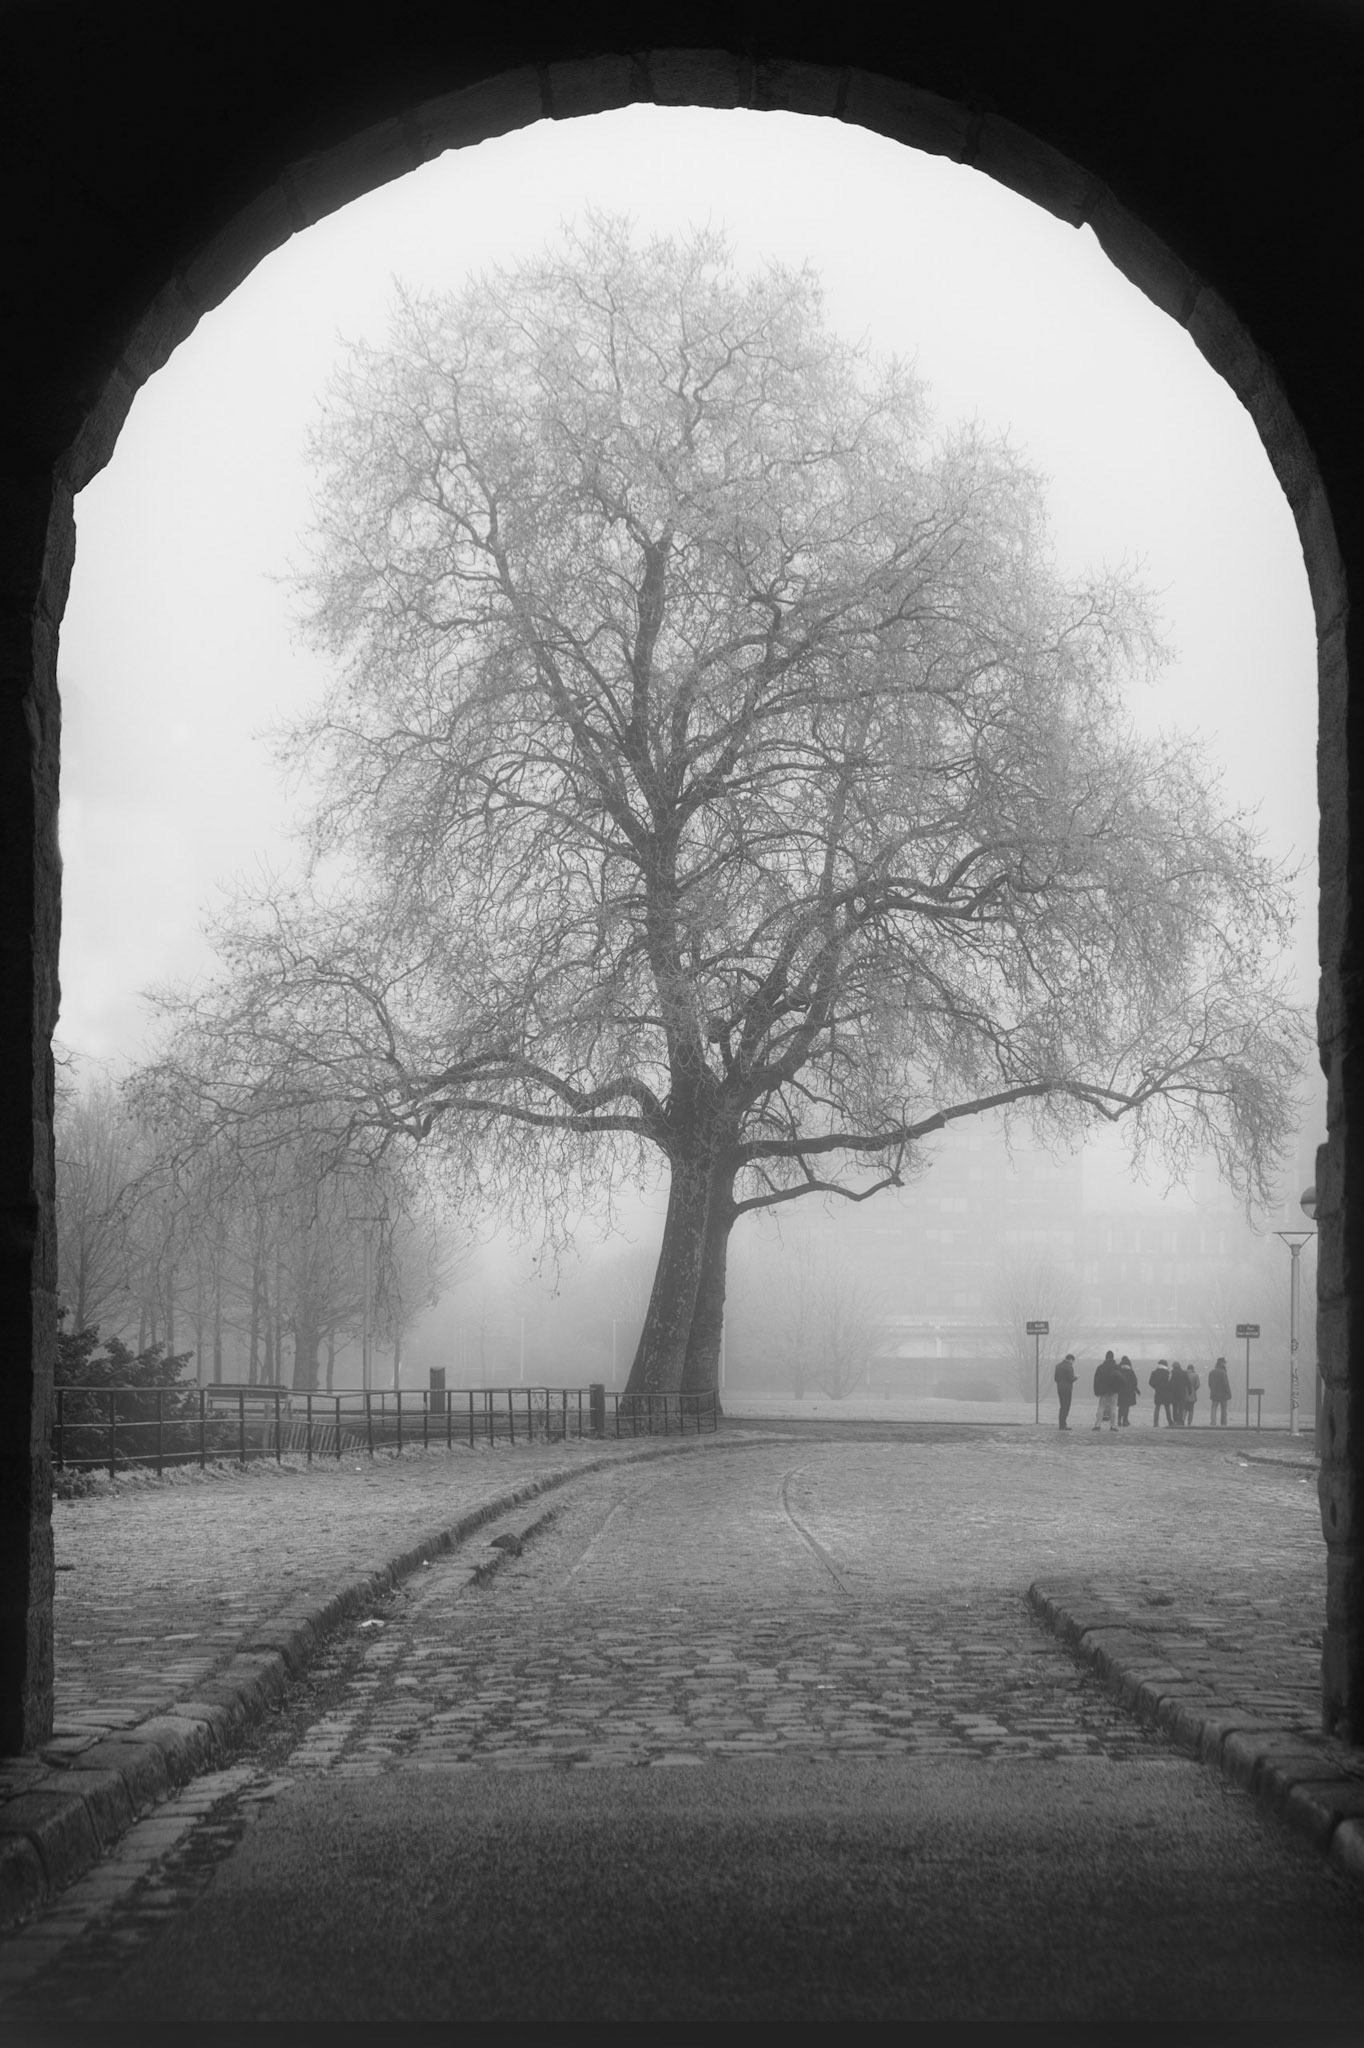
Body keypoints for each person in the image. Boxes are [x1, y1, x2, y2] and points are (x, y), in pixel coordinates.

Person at [1092, 1350, 1120, 1431]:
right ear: (1113, 1357)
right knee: (1113, 1407)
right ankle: (1113, 1426)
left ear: (1105, 1357)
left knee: (1101, 1407)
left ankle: (1098, 1425)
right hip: (1114, 1391)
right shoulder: (1117, 1367)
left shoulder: (1101, 1367)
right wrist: (1119, 1389)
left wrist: (1096, 1391)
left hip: (1103, 1391)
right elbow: (1120, 1379)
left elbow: (1096, 1380)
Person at [1054, 1352, 1077, 1430]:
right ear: (1070, 1360)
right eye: (1073, 1361)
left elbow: (1055, 1378)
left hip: (1060, 1389)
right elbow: (1071, 1379)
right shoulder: (1069, 1367)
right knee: (1066, 1407)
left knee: (1062, 1407)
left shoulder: (1058, 1366)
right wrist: (1076, 1377)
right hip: (1067, 1389)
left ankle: (1061, 1424)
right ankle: (1063, 1425)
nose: (1073, 1363)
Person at [1208, 1355, 1232, 1427]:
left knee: (1214, 1408)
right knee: (1223, 1409)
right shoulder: (1223, 1372)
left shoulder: (1211, 1372)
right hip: (1223, 1395)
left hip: (1214, 1394)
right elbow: (1226, 1384)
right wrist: (1229, 1393)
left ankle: (1213, 1422)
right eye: (1224, 1363)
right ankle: (1223, 1424)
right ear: (1222, 1363)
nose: (1225, 1364)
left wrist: (1212, 1390)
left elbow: (1209, 1384)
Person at [1149, 1358, 1173, 1427]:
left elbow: (1150, 1382)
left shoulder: (1154, 1372)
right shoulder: (1168, 1373)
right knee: (1167, 1408)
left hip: (1158, 1392)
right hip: (1166, 1392)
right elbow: (1170, 1383)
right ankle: (1170, 1422)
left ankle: (1155, 1423)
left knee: (1157, 1408)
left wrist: (1156, 1387)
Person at [1117, 1355, 1139, 1426]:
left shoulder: (1119, 1371)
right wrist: (1136, 1390)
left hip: (1120, 1391)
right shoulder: (1131, 1371)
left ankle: (1119, 1420)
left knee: (1121, 1406)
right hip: (1129, 1391)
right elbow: (1135, 1382)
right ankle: (1125, 1420)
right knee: (1126, 1406)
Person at [1168, 1359, 1191, 1427]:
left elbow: (1169, 1383)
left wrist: (1168, 1390)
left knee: (1174, 1407)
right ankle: (1180, 1421)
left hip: (1173, 1393)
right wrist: (1190, 1390)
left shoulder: (1172, 1373)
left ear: (1173, 1366)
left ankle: (1175, 1420)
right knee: (1181, 1407)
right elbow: (1188, 1382)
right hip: (1182, 1392)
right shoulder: (1183, 1373)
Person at [1184, 1360, 1201, 1427]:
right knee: (1191, 1409)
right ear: (1193, 1369)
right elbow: (1197, 1385)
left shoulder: (1184, 1374)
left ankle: (1182, 1420)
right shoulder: (1196, 1375)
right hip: (1192, 1395)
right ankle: (1189, 1422)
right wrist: (1194, 1390)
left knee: (1184, 1408)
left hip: (1184, 1395)